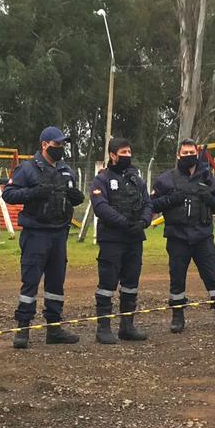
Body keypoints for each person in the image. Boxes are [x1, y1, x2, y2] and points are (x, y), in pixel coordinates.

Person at [1, 127, 84, 348]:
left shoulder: (67, 170)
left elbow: (71, 195)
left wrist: (77, 198)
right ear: (45, 144)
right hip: (36, 233)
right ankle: (23, 329)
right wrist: (32, 193)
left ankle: (54, 329)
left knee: (56, 283)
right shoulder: (27, 168)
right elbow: (8, 194)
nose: (60, 149)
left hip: (59, 233)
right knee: (30, 282)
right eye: (57, 145)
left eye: (63, 145)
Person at [151, 139, 215, 333]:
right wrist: (171, 199)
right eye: (184, 153)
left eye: (191, 152)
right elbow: (153, 205)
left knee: (214, 277)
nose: (188, 156)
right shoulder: (166, 179)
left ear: (197, 152)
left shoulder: (209, 179)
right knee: (177, 279)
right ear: (178, 155)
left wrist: (208, 197)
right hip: (178, 237)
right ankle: (177, 317)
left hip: (203, 237)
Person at [88, 137, 152, 343]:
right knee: (107, 283)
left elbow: (148, 203)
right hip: (112, 240)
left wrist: (143, 222)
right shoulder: (102, 179)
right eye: (123, 153)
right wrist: (124, 222)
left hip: (134, 239)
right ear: (112, 155)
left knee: (131, 283)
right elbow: (101, 207)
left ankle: (127, 326)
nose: (127, 156)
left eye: (129, 152)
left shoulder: (136, 179)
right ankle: (103, 328)